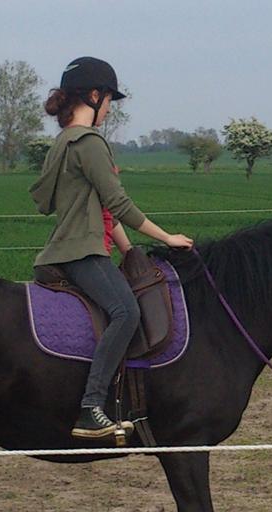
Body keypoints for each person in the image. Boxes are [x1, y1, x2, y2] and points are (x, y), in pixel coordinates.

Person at [29, 56, 193, 439]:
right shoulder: (90, 142)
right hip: (80, 254)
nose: (108, 111)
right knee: (125, 312)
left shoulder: (62, 144)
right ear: (94, 95)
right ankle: (91, 406)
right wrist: (166, 238)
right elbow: (118, 203)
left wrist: (128, 251)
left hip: (62, 250)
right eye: (108, 101)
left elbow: (98, 210)